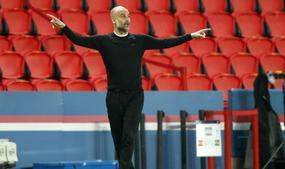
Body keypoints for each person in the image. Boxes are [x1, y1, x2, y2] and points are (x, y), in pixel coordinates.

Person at [48, 6, 209, 169]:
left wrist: (190, 36)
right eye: (122, 16)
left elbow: (165, 42)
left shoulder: (139, 40)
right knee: (119, 142)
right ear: (113, 20)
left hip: (135, 96)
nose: (127, 19)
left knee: (128, 136)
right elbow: (79, 40)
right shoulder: (104, 41)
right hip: (114, 97)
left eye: (128, 16)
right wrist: (64, 28)